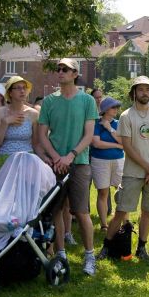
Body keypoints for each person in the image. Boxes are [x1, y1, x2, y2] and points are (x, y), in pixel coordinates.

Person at [37, 58, 99, 274]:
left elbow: (89, 134)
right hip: (56, 164)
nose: (60, 72)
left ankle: (90, 256)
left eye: (65, 69)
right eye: (59, 69)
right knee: (56, 210)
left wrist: (70, 156)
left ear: (75, 74)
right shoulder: (49, 101)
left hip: (79, 163)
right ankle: (61, 254)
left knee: (81, 211)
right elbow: (42, 135)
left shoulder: (87, 101)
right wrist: (56, 157)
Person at [98, 78, 149, 261]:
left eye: (148, 89)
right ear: (134, 93)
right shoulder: (126, 116)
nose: (145, 92)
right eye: (141, 89)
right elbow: (127, 147)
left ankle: (142, 248)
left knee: (147, 211)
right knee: (121, 211)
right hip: (132, 172)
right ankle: (106, 246)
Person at [90, 96, 124, 232]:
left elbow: (124, 142)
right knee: (103, 192)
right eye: (113, 107)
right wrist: (117, 145)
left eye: (117, 107)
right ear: (105, 110)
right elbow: (96, 143)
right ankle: (104, 224)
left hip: (118, 161)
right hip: (100, 161)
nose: (116, 109)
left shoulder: (118, 123)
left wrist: (109, 128)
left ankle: (123, 221)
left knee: (121, 191)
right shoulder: (96, 124)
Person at [0, 75, 38, 172]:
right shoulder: (0, 112)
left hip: (26, 161)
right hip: (5, 161)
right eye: (18, 88)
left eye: (24, 88)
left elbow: (36, 144)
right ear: (10, 93)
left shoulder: (33, 114)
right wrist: (5, 122)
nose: (22, 91)